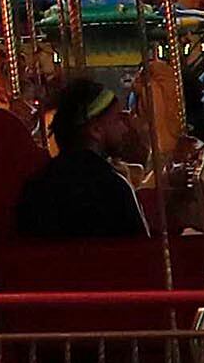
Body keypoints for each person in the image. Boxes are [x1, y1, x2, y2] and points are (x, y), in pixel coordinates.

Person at [13, 77, 154, 242]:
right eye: (117, 120)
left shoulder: (36, 186)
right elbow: (141, 252)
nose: (124, 129)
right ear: (95, 129)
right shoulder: (113, 187)